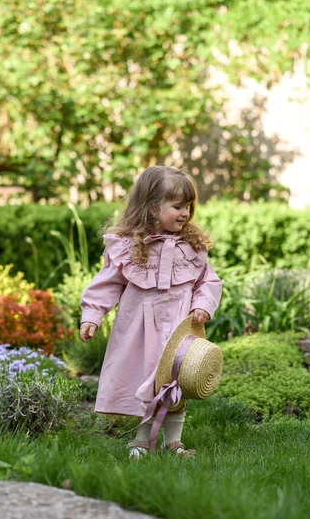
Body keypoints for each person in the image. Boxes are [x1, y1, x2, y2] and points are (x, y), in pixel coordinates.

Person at [80, 166, 222, 458]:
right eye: (177, 206)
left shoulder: (190, 246)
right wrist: (92, 315)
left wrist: (202, 306)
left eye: (188, 206)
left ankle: (174, 442)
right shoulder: (129, 246)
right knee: (144, 381)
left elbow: (207, 281)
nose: (185, 213)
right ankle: (141, 440)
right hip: (140, 330)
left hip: (180, 329)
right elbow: (106, 284)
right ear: (151, 207)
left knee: (177, 381)